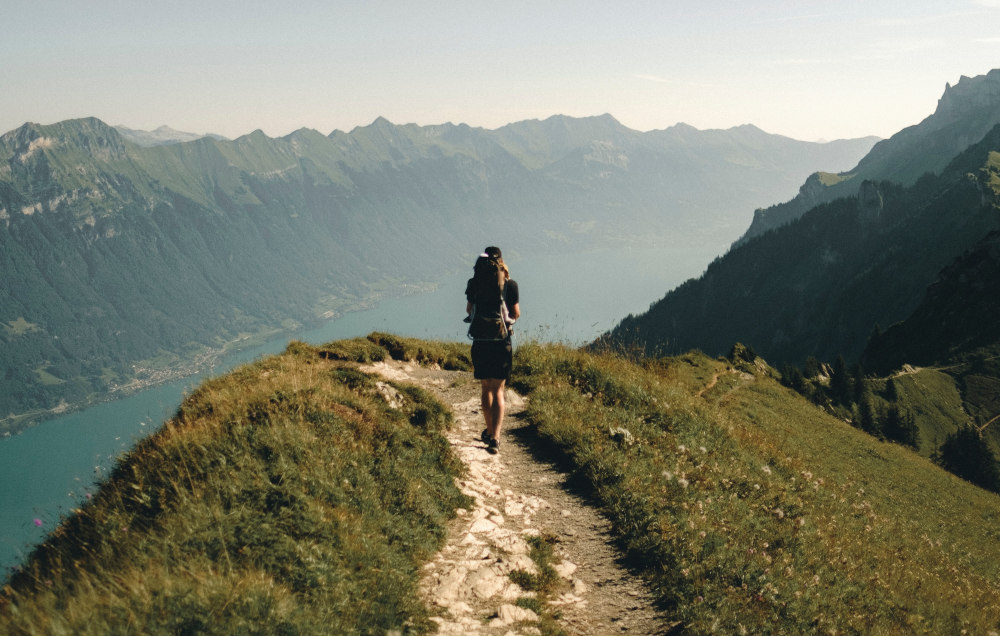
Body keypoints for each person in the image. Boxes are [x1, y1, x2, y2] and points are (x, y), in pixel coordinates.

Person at [465, 246, 520, 454]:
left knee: (485, 388)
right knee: (499, 390)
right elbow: (516, 314)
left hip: (480, 341)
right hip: (501, 342)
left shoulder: (474, 283)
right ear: (501, 261)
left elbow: (469, 310)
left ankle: (488, 431)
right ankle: (495, 438)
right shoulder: (510, 285)